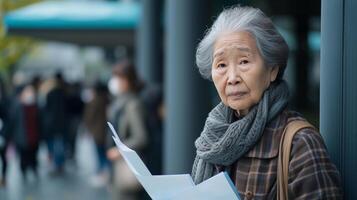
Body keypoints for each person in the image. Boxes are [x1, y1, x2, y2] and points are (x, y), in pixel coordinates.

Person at [191, 6, 342, 199]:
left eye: (244, 62)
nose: (232, 77)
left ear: (272, 69)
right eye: (221, 65)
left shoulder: (300, 144)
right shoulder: (211, 140)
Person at [106, 60, 149, 200]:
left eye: (118, 78)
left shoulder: (133, 104)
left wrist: (118, 151)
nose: (115, 82)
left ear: (127, 80)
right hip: (117, 166)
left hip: (126, 166)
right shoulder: (120, 101)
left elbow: (141, 137)